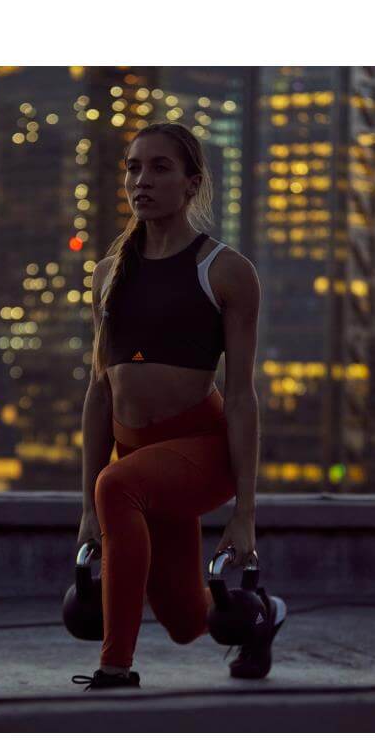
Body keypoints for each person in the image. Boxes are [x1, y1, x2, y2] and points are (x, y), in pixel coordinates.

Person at [71, 122, 286, 691]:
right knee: (189, 622)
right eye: (133, 167)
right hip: (139, 458)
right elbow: (100, 392)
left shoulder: (226, 271)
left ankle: (114, 667)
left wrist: (244, 512)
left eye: (160, 168)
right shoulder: (107, 275)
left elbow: (241, 396)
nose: (141, 180)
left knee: (119, 485)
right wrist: (87, 506)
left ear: (192, 184)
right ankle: (262, 618)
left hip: (202, 449)